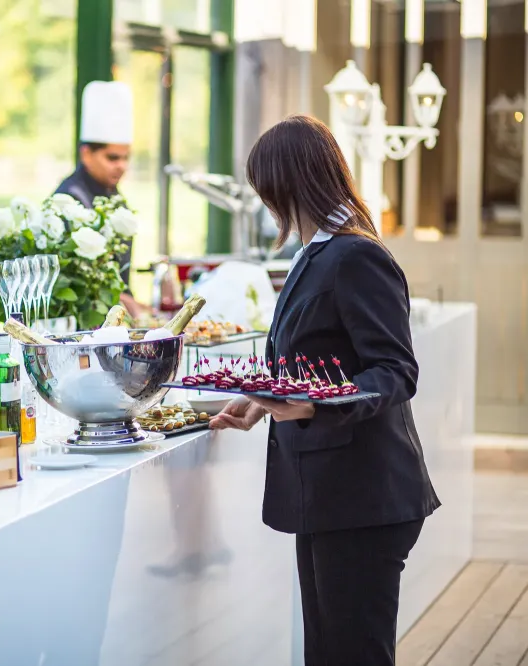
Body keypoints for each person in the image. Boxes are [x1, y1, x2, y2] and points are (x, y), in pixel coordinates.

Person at [210, 115, 439, 666]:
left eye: (268, 191)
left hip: (364, 495)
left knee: (352, 655)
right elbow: (314, 361)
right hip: (331, 493)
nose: (267, 207)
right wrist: (259, 402)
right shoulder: (316, 252)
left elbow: (394, 371)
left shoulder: (354, 255)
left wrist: (313, 403)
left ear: (290, 184)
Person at [54, 80, 148, 317]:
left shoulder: (116, 196)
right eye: (113, 158)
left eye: (127, 158)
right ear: (86, 154)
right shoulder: (70, 199)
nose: (122, 166)